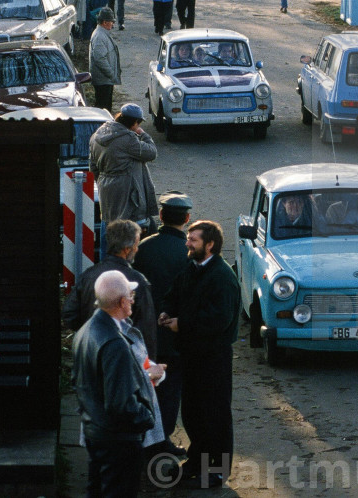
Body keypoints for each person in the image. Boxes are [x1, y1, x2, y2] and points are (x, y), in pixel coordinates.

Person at [159, 221, 239, 489]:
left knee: (214, 414)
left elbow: (219, 319)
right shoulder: (191, 268)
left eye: (193, 240)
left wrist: (182, 324)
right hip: (191, 355)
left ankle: (216, 471)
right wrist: (166, 311)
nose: (188, 243)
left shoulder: (222, 276)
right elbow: (173, 294)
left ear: (210, 244)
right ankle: (197, 462)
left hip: (213, 358)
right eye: (188, 238)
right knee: (193, 413)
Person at [72, 270, 155, 498]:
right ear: (121, 302)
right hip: (117, 441)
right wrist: (147, 416)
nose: (132, 300)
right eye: (130, 296)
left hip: (95, 431)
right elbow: (121, 405)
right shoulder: (114, 344)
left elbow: (78, 381)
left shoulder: (85, 331)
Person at [134, 191, 194, 458]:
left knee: (144, 385)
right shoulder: (188, 252)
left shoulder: (144, 247)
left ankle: (143, 438)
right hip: (174, 333)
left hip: (144, 332)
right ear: (187, 219)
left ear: (160, 215)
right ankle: (162, 439)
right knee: (169, 390)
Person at [62, 220, 157, 355]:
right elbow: (146, 331)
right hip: (124, 356)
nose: (137, 249)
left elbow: (69, 314)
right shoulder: (138, 281)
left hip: (90, 350)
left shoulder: (88, 275)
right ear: (127, 249)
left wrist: (90, 333)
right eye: (136, 245)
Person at [89, 103, 158, 229]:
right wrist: (143, 134)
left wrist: (105, 181)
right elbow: (151, 153)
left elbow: (93, 167)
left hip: (106, 193)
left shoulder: (96, 136)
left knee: (108, 226)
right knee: (135, 232)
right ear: (135, 122)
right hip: (127, 195)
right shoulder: (128, 139)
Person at [88, 9, 121, 111]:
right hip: (103, 80)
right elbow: (100, 59)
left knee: (106, 108)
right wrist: (111, 74)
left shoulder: (102, 33)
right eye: (112, 21)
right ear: (105, 22)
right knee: (103, 109)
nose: (113, 24)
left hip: (106, 80)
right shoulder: (99, 36)